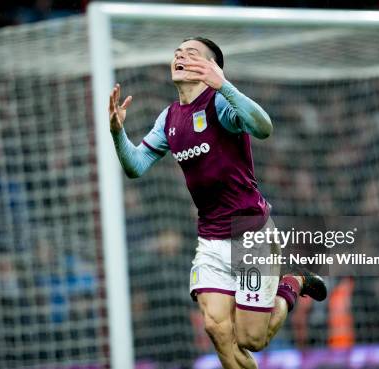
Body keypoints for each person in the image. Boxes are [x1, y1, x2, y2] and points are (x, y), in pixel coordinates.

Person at [109, 37, 327, 368]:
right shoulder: (169, 118)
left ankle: (292, 283)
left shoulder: (221, 105)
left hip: (250, 234)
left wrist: (224, 86)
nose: (180, 56)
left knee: (251, 338)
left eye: (191, 54)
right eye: (177, 53)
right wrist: (116, 133)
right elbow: (136, 166)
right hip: (210, 239)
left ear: (211, 67)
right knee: (216, 329)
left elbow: (264, 128)